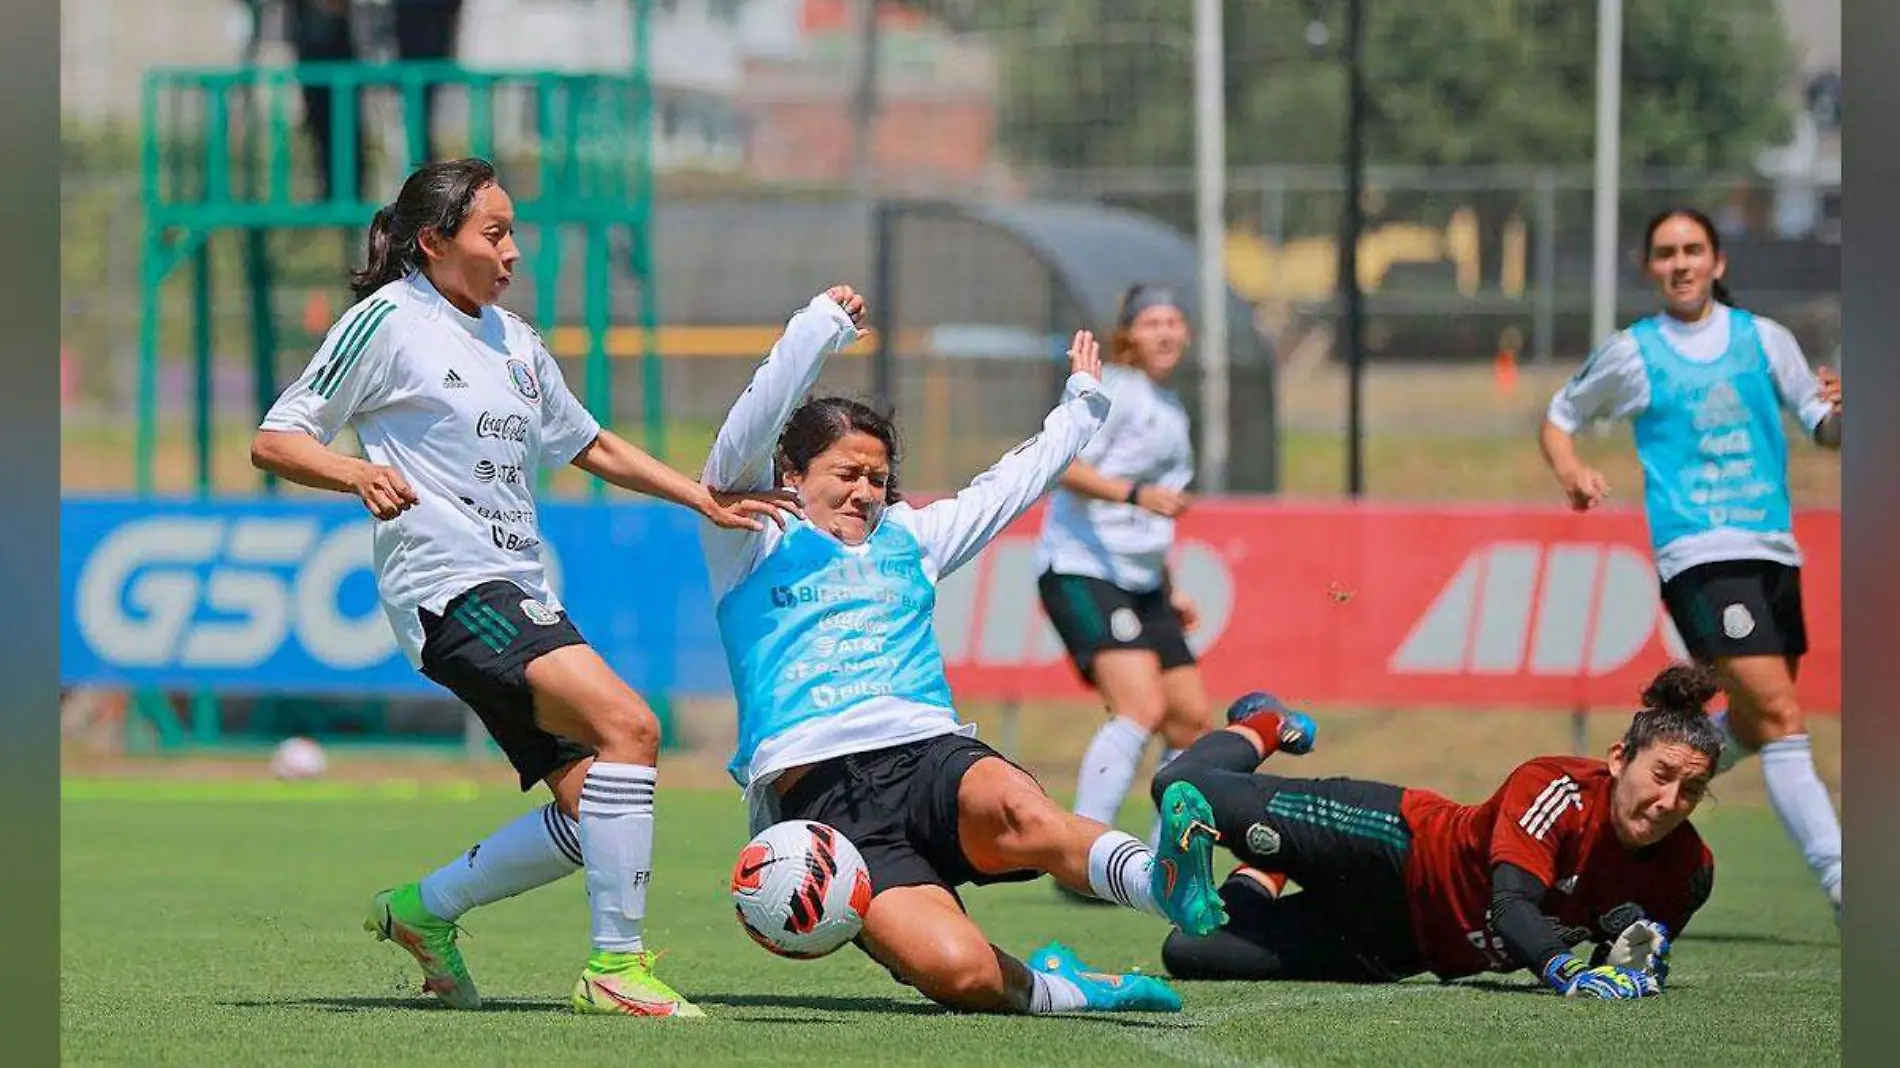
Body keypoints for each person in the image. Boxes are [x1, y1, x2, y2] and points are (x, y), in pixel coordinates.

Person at [251, 157, 795, 1017]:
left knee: (597, 816)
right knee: (632, 726)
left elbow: (591, 444)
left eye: (514, 234)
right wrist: (354, 474)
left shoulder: (516, 342)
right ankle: (615, 969)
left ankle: (421, 913)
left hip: (514, 586)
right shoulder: (386, 322)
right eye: (494, 234)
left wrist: (701, 494)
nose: (512, 253)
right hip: (450, 590)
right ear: (433, 241)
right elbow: (279, 438)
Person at [696, 287, 1230, 1015]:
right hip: (825, 806)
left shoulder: (912, 537)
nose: (864, 493)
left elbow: (1011, 486)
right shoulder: (747, 536)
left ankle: (1158, 881)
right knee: (964, 976)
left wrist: (1081, 408)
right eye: (845, 475)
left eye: (878, 479)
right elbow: (741, 437)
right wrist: (817, 330)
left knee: (1026, 815)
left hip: (928, 756)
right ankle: (1067, 986)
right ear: (792, 476)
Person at [1538, 206, 1843, 918]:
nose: (1681, 263)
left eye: (1694, 250)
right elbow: (1559, 417)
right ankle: (1843, 880)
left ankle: (1613, 817)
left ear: (1717, 262)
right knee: (1780, 711)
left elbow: (1823, 428)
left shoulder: (1764, 340)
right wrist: (1573, 470)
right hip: (1700, 555)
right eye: (1667, 252)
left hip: (1772, 551)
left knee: (1749, 720)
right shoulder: (1635, 351)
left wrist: (1844, 413)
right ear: (1650, 267)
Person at [1154, 666, 1720, 999]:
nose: (1670, 802)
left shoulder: (1688, 871)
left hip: (1402, 947)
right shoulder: (1557, 788)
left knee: (1189, 950)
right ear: (1620, 759)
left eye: (1690, 791)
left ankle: (1270, 864)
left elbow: (1622, 959)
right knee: (1180, 782)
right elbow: (1511, 907)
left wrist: (1627, 965)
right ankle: (1265, 724)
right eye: (1661, 775)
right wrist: (1567, 974)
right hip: (1391, 845)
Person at [1033, 283, 1214, 878]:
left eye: (1173, 320)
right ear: (1128, 335)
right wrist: (1136, 493)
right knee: (1141, 704)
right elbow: (1067, 466)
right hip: (1081, 567)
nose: (1164, 332)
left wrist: (1167, 586)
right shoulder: (1117, 390)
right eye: (1151, 322)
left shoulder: (1172, 406)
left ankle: (1166, 862)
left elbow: (1149, 520)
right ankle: (1084, 855)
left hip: (1140, 580)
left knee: (1189, 716)